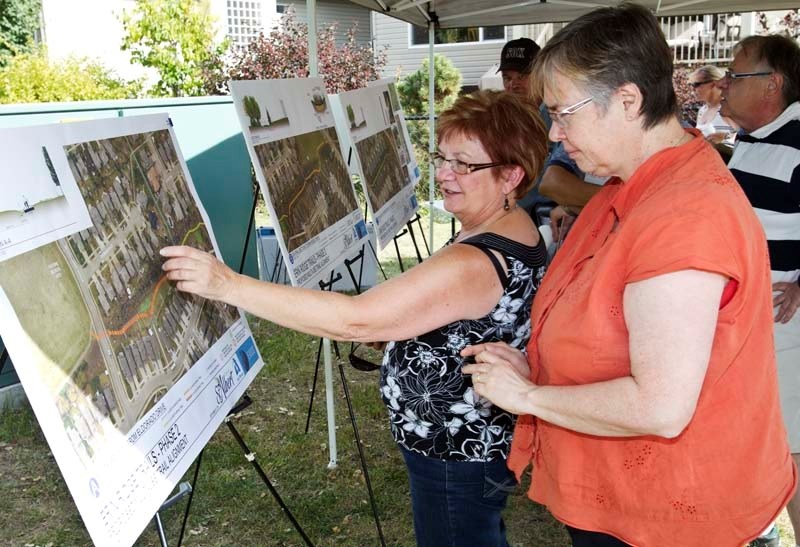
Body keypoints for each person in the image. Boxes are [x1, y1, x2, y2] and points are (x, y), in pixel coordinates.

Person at [460, 5, 797, 546]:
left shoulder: (684, 215)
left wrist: (528, 397)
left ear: (627, 100)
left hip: (665, 512)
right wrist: (540, 368)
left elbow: (659, 405)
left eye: (563, 113)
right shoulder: (637, 183)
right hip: (631, 495)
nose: (555, 132)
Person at [161, 90, 549, 547]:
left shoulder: (477, 258)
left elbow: (355, 320)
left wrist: (228, 285)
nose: (443, 174)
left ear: (511, 176)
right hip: (477, 445)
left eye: (463, 164)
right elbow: (473, 320)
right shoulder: (509, 226)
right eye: (441, 157)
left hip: (457, 454)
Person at [718, 34, 800, 547]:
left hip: (783, 322)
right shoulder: (752, 140)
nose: (724, 84)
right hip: (748, 319)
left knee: (791, 448)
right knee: (749, 437)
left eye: (735, 76)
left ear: (772, 84)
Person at [499, 38, 602, 236]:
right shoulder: (502, 120)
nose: (513, 84)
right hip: (511, 222)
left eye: (522, 76)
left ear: (541, 76)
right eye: (507, 77)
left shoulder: (560, 115)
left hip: (551, 224)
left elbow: (554, 182)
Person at [689, 65, 737, 143]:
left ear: (713, 84)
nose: (693, 89)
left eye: (696, 84)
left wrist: (725, 137)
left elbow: (748, 134)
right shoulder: (702, 110)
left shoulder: (730, 107)